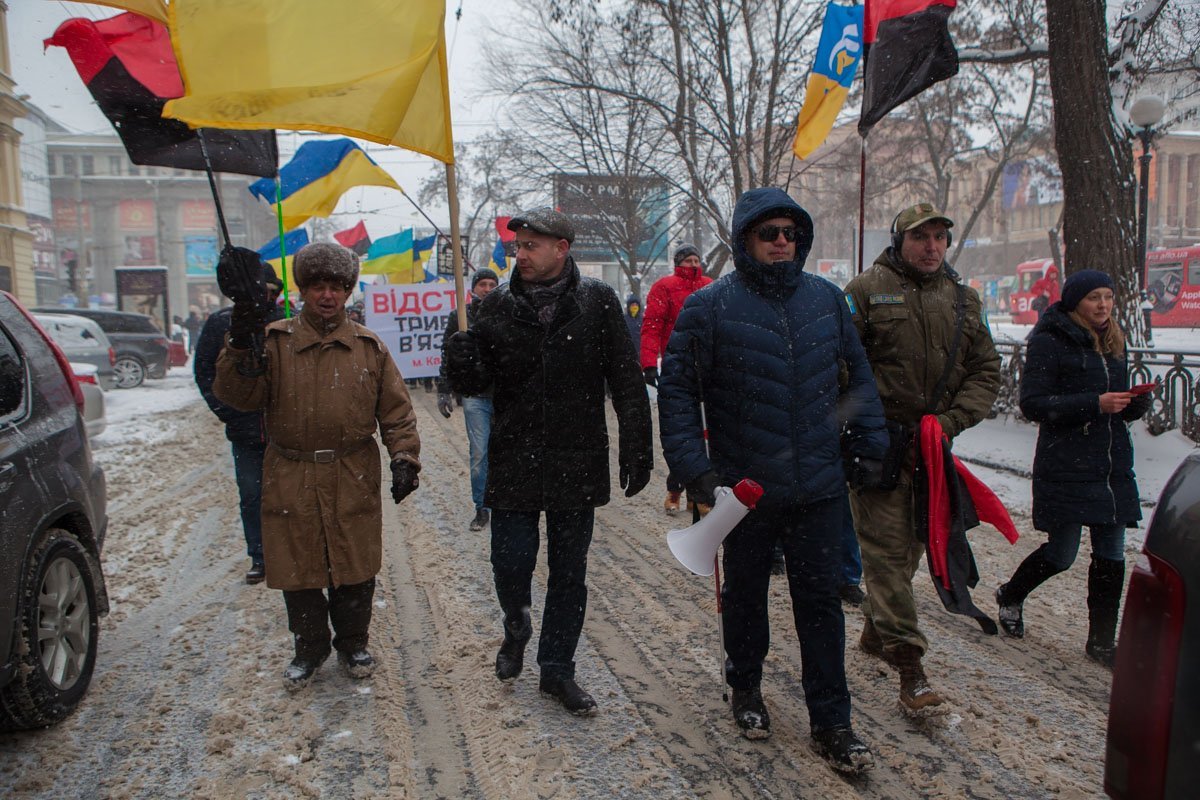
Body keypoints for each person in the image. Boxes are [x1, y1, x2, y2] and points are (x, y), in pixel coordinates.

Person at [658, 188, 886, 773]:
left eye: (790, 232)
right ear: (745, 241)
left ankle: (833, 721)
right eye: (769, 233)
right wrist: (697, 471)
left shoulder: (827, 301)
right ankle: (746, 689)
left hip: (818, 487)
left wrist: (868, 446)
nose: (782, 241)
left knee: (821, 606)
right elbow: (679, 394)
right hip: (745, 491)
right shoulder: (708, 307)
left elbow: (858, 379)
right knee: (745, 599)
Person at [444, 207, 653, 716]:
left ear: (562, 248)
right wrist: (462, 363)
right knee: (509, 562)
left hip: (575, 458)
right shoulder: (492, 308)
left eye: (531, 245)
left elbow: (626, 380)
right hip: (515, 455)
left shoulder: (598, 303)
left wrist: (637, 446)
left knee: (568, 572)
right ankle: (516, 625)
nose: (521, 254)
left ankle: (558, 670)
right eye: (518, 246)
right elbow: (477, 385)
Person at [213, 243, 422, 691]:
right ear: (303, 290)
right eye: (317, 286)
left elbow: (396, 410)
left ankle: (352, 642)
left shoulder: (369, 347)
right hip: (291, 471)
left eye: (336, 287)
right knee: (299, 565)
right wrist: (240, 347)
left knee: (354, 563)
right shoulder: (273, 342)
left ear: (348, 291)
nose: (327, 296)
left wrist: (404, 456)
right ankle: (309, 648)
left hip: (352, 471)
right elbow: (237, 396)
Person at [844, 202, 1001, 714]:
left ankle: (875, 630)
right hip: (878, 448)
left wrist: (951, 422)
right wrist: (864, 424)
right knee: (887, 555)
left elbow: (985, 371)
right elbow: (840, 368)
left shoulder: (965, 300)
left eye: (939, 237)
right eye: (921, 237)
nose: (932, 247)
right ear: (900, 240)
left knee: (910, 548)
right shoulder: (865, 292)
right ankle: (911, 670)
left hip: (933, 449)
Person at [996, 270, 1148, 668]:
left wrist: (1132, 405)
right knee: (1062, 554)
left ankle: (1100, 642)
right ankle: (1011, 594)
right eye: (1094, 297)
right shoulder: (1050, 341)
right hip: (1067, 461)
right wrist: (1094, 403)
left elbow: (1113, 399)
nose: (1103, 305)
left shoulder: (1114, 340)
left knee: (1111, 554)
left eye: (1108, 297)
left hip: (1111, 461)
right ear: (1074, 301)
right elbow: (1033, 404)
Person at [194, 262, 285, 584]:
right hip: (246, 433)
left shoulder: (288, 324)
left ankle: (291, 553)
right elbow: (205, 371)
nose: (265, 297)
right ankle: (260, 556)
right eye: (259, 291)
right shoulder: (222, 324)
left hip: (286, 432)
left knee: (293, 495)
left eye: (270, 292)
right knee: (252, 495)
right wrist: (229, 410)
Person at [641, 244, 712, 515]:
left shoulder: (709, 286)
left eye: (696, 259)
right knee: (682, 434)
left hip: (707, 370)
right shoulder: (664, 287)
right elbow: (652, 326)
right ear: (678, 263)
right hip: (677, 367)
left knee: (706, 434)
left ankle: (700, 492)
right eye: (688, 260)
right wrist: (649, 363)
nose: (693, 264)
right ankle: (675, 488)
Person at [436, 266, 500, 531]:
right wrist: (444, 388)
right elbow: (447, 354)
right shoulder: (460, 317)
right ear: (473, 288)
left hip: (504, 394)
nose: (487, 289)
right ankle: (481, 507)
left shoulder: (506, 314)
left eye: (492, 284)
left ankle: (505, 504)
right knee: (479, 454)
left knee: (505, 454)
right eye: (482, 284)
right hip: (475, 396)